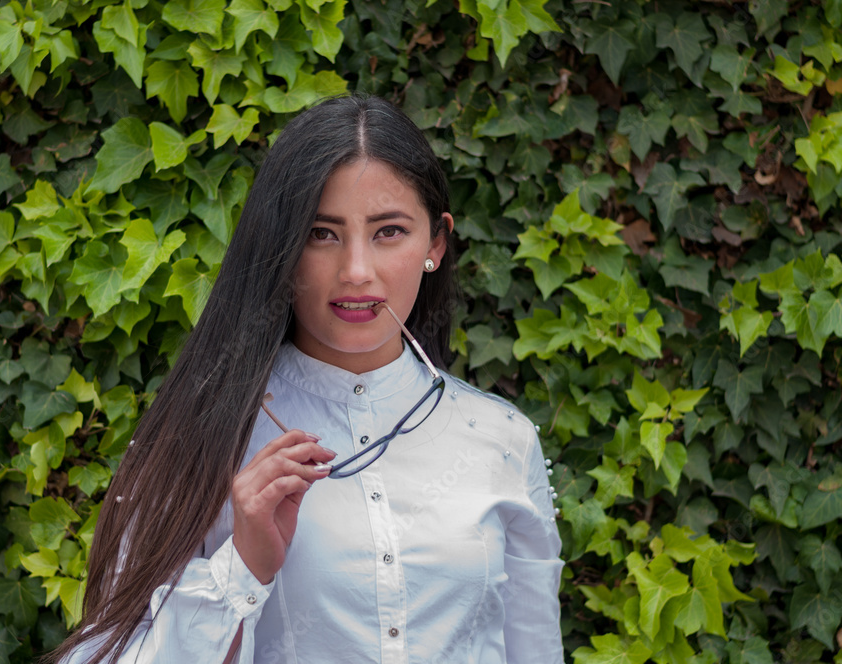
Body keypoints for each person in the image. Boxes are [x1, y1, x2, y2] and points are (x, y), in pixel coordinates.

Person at [48, 94, 564, 664]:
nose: (357, 272)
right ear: (282, 246)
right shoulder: (196, 443)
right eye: (322, 234)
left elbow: (535, 651)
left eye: (389, 231)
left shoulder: (504, 440)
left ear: (435, 245)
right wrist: (243, 568)